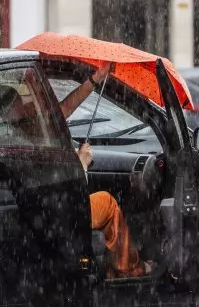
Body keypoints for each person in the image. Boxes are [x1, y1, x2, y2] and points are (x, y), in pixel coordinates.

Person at [59, 63, 154, 279]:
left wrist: (95, 80)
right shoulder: (35, 130)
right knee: (107, 201)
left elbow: (63, 108)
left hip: (46, 210)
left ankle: (114, 267)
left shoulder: (25, 126)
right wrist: (81, 163)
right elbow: (73, 193)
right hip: (62, 211)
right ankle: (128, 267)